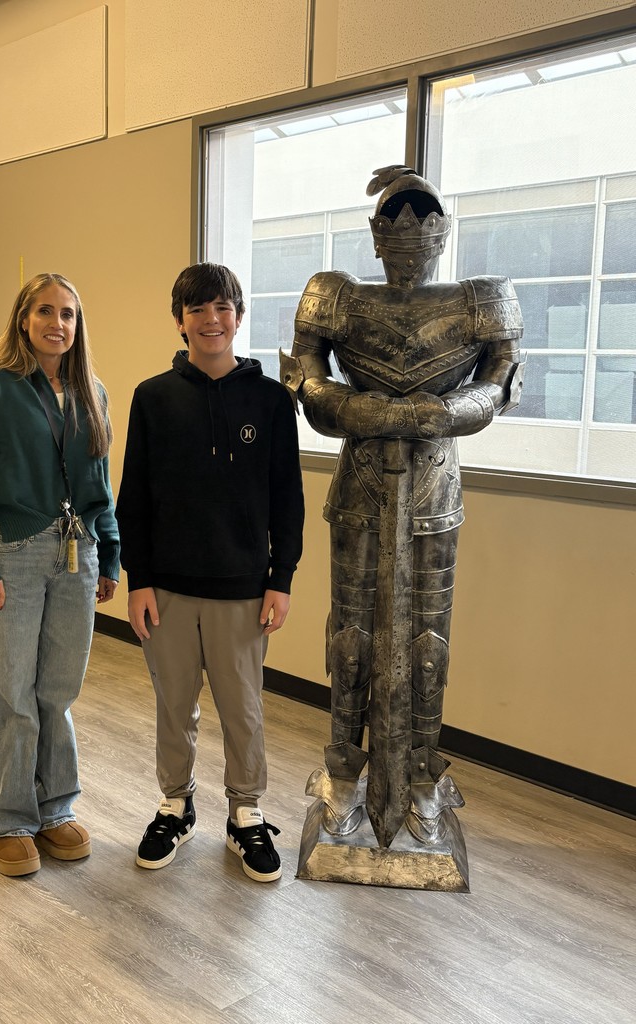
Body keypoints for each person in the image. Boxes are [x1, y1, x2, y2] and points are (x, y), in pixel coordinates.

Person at [282, 166, 523, 877]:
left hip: (434, 487)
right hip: (359, 486)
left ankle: (421, 779)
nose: (410, 231)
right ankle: (343, 776)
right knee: (351, 637)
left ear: (442, 228)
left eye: (422, 216)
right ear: (376, 231)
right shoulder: (336, 294)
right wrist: (361, 412)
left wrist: (441, 414)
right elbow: (304, 376)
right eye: (397, 217)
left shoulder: (482, 297)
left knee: (427, 640)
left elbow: (502, 380)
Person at [116, 262, 304, 882]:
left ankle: (245, 814)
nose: (211, 320)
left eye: (222, 308)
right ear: (180, 322)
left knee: (242, 708)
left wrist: (281, 579)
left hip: (243, 589)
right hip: (167, 589)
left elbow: (288, 499)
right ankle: (177, 803)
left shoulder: (272, 401)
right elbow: (133, 497)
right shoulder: (152, 398)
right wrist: (137, 578)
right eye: (197, 309)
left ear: (238, 317)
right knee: (174, 704)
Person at [0, 272, 120, 877]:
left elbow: (101, 487)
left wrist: (111, 554)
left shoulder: (92, 390)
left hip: (78, 555)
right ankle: (5, 818)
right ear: (23, 319)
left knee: (58, 693)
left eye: (68, 314)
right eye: (45, 311)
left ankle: (54, 807)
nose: (57, 323)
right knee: (11, 692)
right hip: (11, 552)